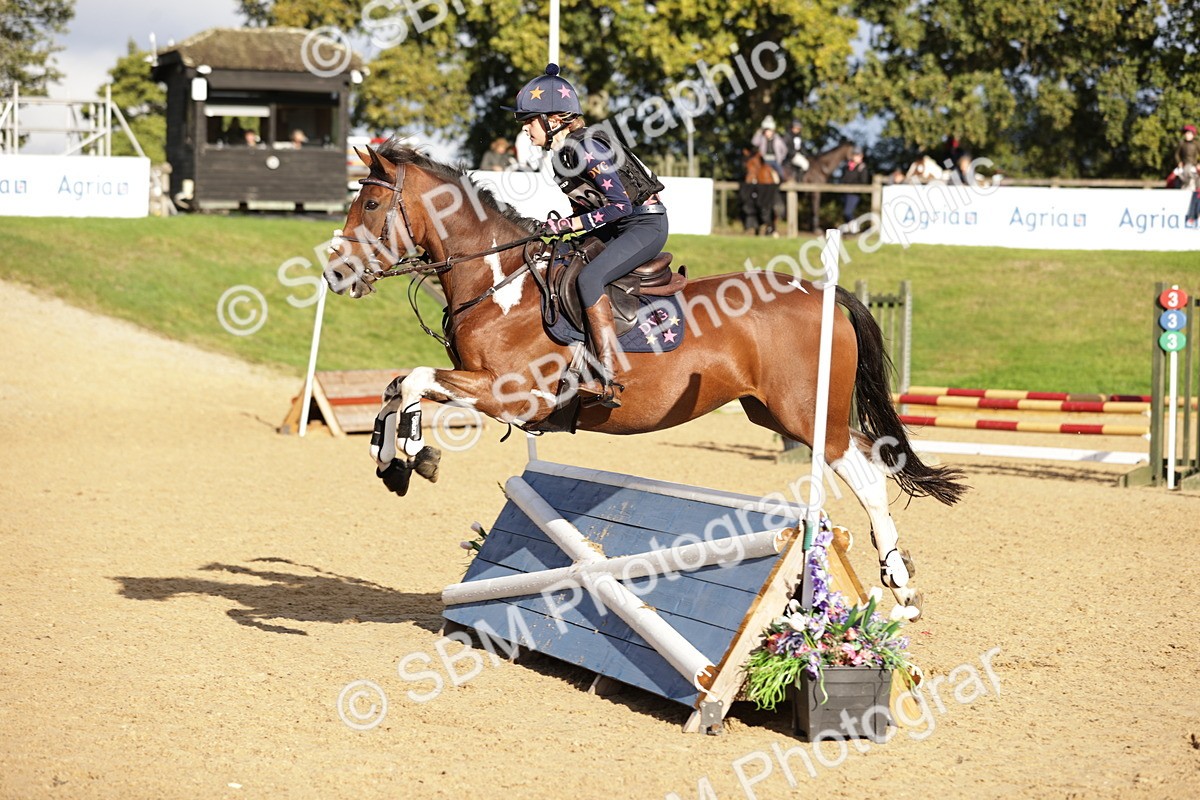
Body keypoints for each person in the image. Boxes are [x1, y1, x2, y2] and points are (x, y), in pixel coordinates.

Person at [505, 64, 667, 408]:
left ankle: (606, 376)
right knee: (562, 262)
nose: (525, 129)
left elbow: (620, 206)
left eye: (529, 121)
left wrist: (564, 226)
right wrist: (556, 230)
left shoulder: (585, 148)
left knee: (590, 278)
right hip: (617, 227)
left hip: (644, 225)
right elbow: (586, 212)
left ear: (553, 119)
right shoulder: (562, 156)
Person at [839, 147, 870, 233]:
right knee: (845, 213)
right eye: (855, 155)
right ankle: (850, 230)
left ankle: (855, 228)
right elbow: (843, 179)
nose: (856, 157)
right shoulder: (847, 166)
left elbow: (863, 181)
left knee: (847, 212)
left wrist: (851, 184)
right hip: (845, 193)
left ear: (861, 156)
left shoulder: (862, 168)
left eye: (858, 155)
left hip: (854, 193)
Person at [751, 116, 788, 181]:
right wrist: (759, 132)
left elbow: (784, 150)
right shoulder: (762, 138)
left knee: (781, 174)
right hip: (764, 160)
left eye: (769, 131)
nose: (767, 133)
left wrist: (781, 158)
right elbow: (754, 142)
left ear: (772, 131)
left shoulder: (778, 139)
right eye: (766, 131)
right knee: (755, 172)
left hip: (775, 160)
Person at [1176, 124, 1198, 192]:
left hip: (1193, 164)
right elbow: (1177, 154)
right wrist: (1179, 162)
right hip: (1183, 164)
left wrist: (1199, 164)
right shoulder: (1181, 143)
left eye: (1189, 133)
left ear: (1193, 135)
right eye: (1186, 133)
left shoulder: (1196, 144)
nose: (1187, 135)